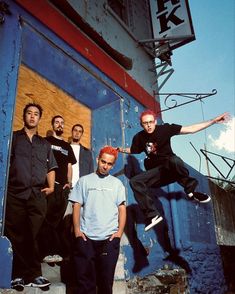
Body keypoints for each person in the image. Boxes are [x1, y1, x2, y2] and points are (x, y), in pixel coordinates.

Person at [118, 109, 230, 231]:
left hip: (171, 169)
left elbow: (191, 129)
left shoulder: (165, 129)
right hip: (157, 175)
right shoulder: (139, 137)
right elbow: (133, 150)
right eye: (145, 123)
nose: (149, 125)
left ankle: (191, 191)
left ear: (155, 122)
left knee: (174, 160)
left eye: (151, 122)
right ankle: (153, 215)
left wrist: (213, 121)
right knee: (135, 181)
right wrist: (119, 149)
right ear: (141, 124)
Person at [4, 103, 58, 291]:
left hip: (37, 194)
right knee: (17, 235)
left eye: (36, 114)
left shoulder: (45, 143)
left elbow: (51, 166)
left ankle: (35, 275)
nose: (32, 117)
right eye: (29, 113)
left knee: (35, 234)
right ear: (24, 116)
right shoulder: (13, 139)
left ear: (39, 118)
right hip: (15, 194)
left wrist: (51, 186)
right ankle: (18, 276)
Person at [69, 146, 126, 294]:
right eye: (103, 162)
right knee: (85, 284)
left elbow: (122, 209)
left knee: (105, 284)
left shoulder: (117, 184)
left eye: (109, 164)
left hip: (109, 239)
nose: (105, 166)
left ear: (113, 165)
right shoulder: (84, 181)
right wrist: (76, 230)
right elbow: (77, 205)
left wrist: (119, 232)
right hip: (86, 238)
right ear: (97, 159)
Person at [39, 115, 77, 264]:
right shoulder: (45, 141)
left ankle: (55, 252)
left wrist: (69, 182)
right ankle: (44, 252)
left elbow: (69, 166)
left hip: (63, 188)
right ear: (52, 125)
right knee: (46, 219)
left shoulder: (67, 147)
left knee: (58, 221)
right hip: (48, 186)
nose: (60, 125)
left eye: (62, 123)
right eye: (57, 122)